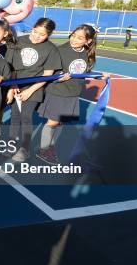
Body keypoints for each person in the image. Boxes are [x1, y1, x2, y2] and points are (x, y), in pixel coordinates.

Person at [36, 24, 98, 165]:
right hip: (58, 92)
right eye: (74, 35)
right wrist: (58, 76)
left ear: (88, 41)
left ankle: (50, 146)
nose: (74, 39)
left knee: (61, 122)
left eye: (80, 38)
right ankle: (44, 150)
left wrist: (99, 75)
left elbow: (83, 72)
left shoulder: (87, 54)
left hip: (72, 93)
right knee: (53, 122)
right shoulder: (60, 51)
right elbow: (48, 70)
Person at [7, 18, 62, 162]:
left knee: (26, 117)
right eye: (35, 31)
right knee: (14, 116)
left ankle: (25, 149)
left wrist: (30, 90)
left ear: (48, 35)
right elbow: (11, 66)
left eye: (42, 35)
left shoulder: (51, 49)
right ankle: (11, 145)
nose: (36, 36)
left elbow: (48, 74)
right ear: (32, 28)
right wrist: (13, 85)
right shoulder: (18, 41)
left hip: (35, 89)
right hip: (16, 86)